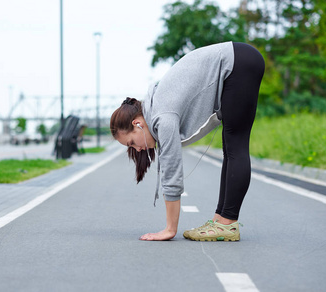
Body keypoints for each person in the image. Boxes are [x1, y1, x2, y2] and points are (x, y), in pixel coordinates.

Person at [110, 41, 265, 241]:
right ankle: (221, 220)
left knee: (236, 146)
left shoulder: (162, 117)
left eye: (132, 142)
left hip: (237, 64)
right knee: (231, 149)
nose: (138, 150)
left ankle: (227, 223)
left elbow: (171, 172)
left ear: (138, 123)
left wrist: (169, 230)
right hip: (239, 61)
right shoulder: (157, 106)